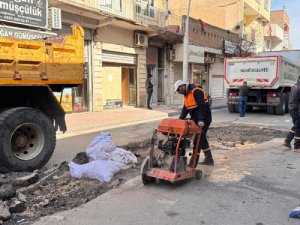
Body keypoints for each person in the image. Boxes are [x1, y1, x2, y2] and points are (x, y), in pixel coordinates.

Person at [174, 80, 214, 166]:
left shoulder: (196, 91)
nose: (178, 92)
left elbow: (202, 106)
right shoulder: (186, 95)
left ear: (182, 86)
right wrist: (179, 121)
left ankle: (193, 163)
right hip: (196, 120)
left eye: (178, 90)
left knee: (198, 140)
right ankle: (209, 159)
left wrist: (201, 120)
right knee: (202, 139)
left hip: (204, 120)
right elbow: (185, 109)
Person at [283, 77, 300, 151]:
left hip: (292, 107)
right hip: (297, 109)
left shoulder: (294, 85)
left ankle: (287, 141)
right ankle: (297, 147)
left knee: (296, 125)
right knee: (298, 127)